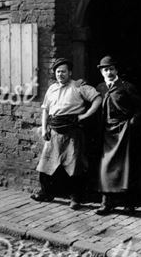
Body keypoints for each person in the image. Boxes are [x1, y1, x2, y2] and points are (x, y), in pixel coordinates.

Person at [31, 57, 102, 208]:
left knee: (74, 165)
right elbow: (45, 110)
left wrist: (85, 115)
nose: (60, 74)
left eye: (63, 71)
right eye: (58, 72)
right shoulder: (51, 89)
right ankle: (46, 193)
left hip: (72, 131)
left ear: (70, 73)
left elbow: (97, 99)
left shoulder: (78, 86)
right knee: (47, 163)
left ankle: (75, 198)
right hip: (54, 130)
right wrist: (44, 129)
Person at [95, 56, 141, 215]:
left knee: (125, 167)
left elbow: (140, 108)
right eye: (105, 69)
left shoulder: (126, 87)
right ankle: (106, 203)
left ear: (116, 70)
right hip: (107, 132)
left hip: (123, 131)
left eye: (111, 69)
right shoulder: (100, 88)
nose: (108, 72)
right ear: (101, 72)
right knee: (105, 167)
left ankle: (129, 203)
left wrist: (131, 123)